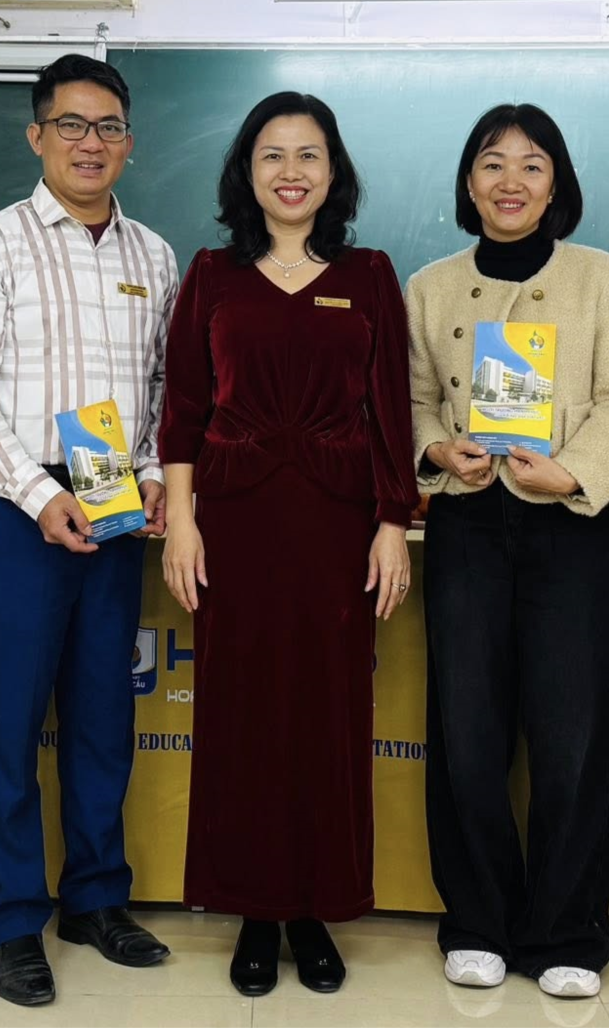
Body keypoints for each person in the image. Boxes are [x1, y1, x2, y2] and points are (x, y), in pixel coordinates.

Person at [0, 54, 180, 1009]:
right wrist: (37, 494)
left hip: (115, 502)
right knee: (7, 725)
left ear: (130, 142)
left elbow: (165, 386)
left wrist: (151, 473)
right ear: (37, 136)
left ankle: (95, 899)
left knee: (102, 717)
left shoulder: (154, 255)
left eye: (108, 126)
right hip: (20, 508)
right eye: (71, 125)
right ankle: (10, 921)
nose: (90, 142)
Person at [159, 91, 417, 998]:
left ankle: (315, 908)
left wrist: (394, 523)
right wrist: (181, 519)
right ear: (247, 170)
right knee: (242, 717)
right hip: (235, 520)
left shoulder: (370, 273)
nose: (292, 171)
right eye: (273, 154)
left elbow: (392, 410)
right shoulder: (211, 274)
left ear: (334, 172)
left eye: (310, 154)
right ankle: (254, 911)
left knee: (327, 717)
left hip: (337, 523)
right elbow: (183, 407)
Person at [404, 103, 609, 1002]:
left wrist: (575, 471)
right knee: (467, 732)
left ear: (557, 185)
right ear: (469, 183)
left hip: (567, 523)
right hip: (467, 523)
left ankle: (568, 931)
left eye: (532, 164)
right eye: (492, 163)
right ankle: (476, 922)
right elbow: (412, 400)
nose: (510, 181)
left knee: (572, 736)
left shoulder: (606, 280)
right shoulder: (430, 286)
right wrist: (437, 450)